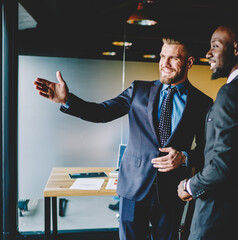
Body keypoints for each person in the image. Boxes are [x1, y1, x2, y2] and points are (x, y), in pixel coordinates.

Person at [34, 37, 213, 240]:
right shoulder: (138, 90)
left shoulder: (202, 103)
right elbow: (101, 112)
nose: (165, 63)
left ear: (189, 62)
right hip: (132, 188)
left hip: (172, 192)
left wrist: (184, 157)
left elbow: (208, 150)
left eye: (173, 58)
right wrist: (67, 100)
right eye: (163, 56)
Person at [177, 25, 238, 239]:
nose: (208, 53)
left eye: (215, 46)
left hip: (216, 217)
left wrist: (189, 185)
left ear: (237, 49)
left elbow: (221, 166)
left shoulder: (229, 93)